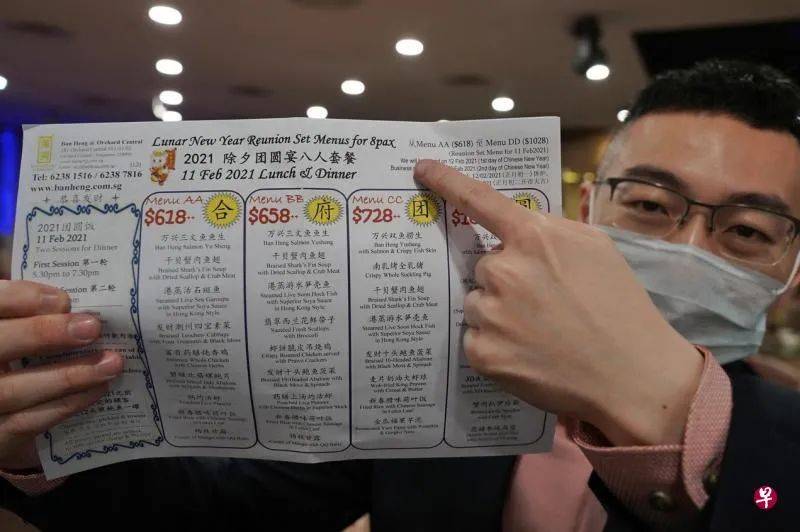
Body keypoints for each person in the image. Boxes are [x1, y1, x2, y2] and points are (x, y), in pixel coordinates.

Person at [1, 59, 799, 531]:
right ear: (586, 206)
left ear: (792, 262)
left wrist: (674, 416)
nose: (688, 250)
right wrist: (39, 448)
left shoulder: (780, 454)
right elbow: (226, 512)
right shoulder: (435, 371)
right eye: (651, 206)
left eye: (747, 230)